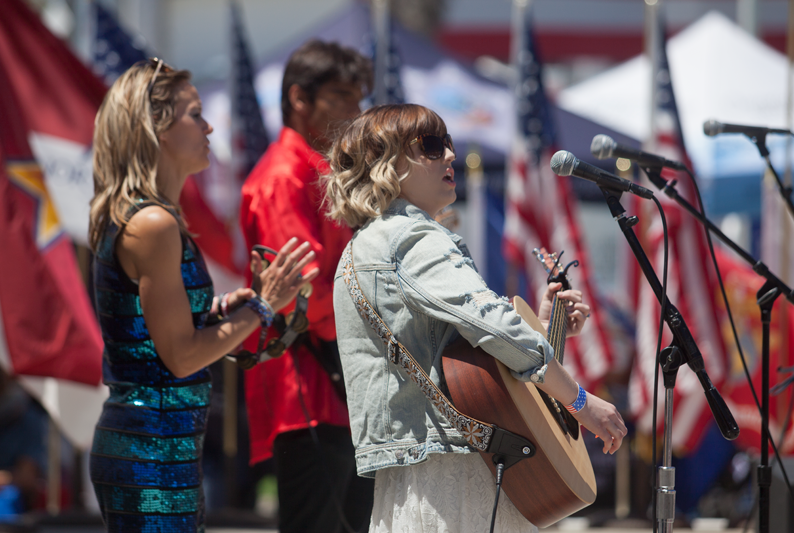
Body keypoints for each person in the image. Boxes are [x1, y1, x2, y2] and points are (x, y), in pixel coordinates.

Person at [325, 104, 628, 532]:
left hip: (415, 472)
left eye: (448, 143)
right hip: (455, 478)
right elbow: (493, 326)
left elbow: (462, 351)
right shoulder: (412, 238)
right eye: (431, 146)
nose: (449, 154)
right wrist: (579, 401)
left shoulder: (360, 249)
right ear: (387, 163)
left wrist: (538, 327)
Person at [87, 58, 318, 533]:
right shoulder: (153, 223)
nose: (210, 125)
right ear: (158, 128)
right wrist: (262, 303)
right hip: (151, 451)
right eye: (195, 114)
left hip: (161, 448)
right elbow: (181, 356)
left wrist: (231, 307)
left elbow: (159, 337)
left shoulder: (150, 217)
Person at [239, 39, 374, 533]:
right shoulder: (282, 178)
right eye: (342, 97)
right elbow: (304, 297)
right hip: (308, 391)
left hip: (344, 391)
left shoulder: (324, 172)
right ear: (300, 98)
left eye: (358, 97)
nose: (356, 111)